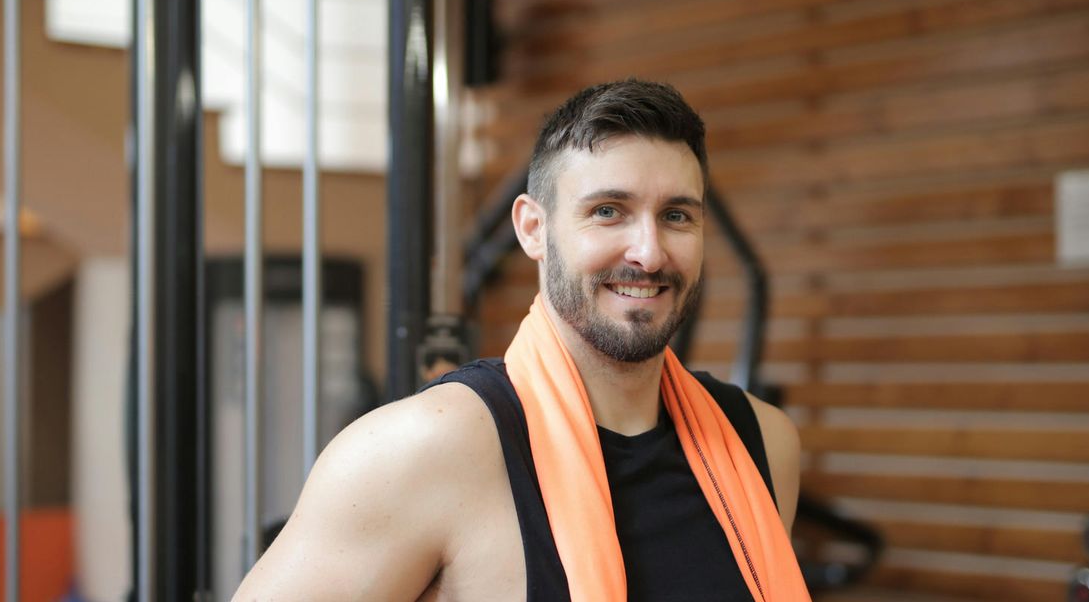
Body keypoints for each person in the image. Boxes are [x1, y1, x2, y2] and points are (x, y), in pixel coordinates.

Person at [235, 79, 809, 601]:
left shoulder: (763, 443)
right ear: (533, 229)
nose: (649, 252)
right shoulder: (421, 451)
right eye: (608, 211)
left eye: (677, 216)